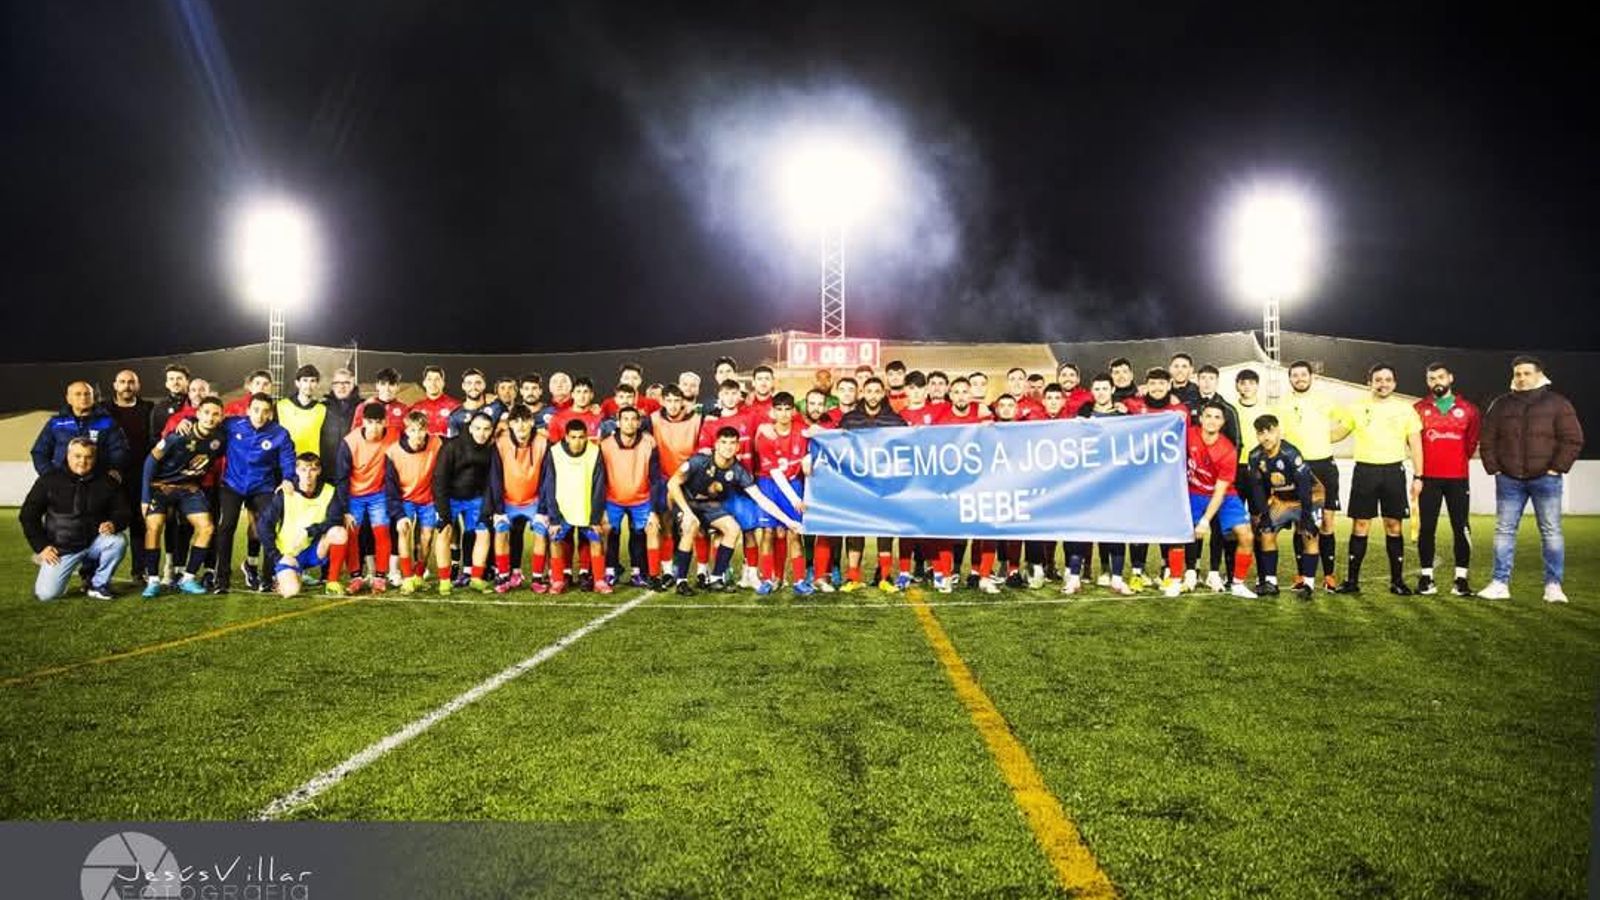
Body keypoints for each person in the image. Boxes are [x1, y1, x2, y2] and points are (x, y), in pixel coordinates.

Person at [1477, 355, 1585, 602]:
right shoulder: (1501, 404)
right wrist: (1494, 469)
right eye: (1518, 374)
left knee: (1551, 531)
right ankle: (1499, 584)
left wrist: (1556, 468)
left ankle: (1553, 586)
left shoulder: (1558, 403)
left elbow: (1573, 439)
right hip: (1509, 479)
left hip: (1546, 479)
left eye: (1527, 373)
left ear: (1539, 375)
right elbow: (1487, 439)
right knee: (1504, 531)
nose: (1522, 378)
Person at [665, 426, 802, 595]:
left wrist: (788, 521)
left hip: (709, 505)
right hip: (685, 501)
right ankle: (681, 581)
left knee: (733, 528)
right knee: (691, 525)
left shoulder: (738, 471)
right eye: (724, 442)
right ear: (716, 444)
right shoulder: (699, 461)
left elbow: (761, 499)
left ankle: (716, 578)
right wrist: (686, 512)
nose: (728, 447)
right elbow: (672, 484)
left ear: (738, 447)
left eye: (732, 443)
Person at [1330, 364, 1423, 595]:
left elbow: (1416, 445)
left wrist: (1419, 475)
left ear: (1395, 383)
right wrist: (1306, 433)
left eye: (1388, 380)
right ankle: (1352, 582)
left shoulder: (1406, 410)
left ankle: (1397, 582)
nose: (1383, 384)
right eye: (1378, 380)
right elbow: (1337, 434)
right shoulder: (1356, 407)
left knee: (1394, 525)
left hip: (1393, 472)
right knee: (1361, 525)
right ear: (1369, 382)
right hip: (1365, 472)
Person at [137, 396, 226, 597]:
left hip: (188, 489)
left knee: (207, 527)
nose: (210, 418)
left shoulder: (220, 438)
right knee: (154, 527)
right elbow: (150, 462)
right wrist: (145, 497)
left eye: (216, 414)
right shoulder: (178, 435)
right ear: (198, 413)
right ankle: (153, 580)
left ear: (221, 417)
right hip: (161, 487)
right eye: (206, 413)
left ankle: (188, 578)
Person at [21, 438, 130, 601]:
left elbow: (123, 512)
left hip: (94, 543)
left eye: (88, 457)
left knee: (118, 541)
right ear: (68, 455)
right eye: (77, 456)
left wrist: (114, 524)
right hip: (62, 548)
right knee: (46, 595)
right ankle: (59, 574)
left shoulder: (107, 482)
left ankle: (98, 584)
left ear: (95, 458)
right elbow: (28, 515)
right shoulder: (49, 480)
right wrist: (41, 546)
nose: (82, 461)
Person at [1169, 402, 1259, 599]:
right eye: (1208, 416)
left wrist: (1205, 521)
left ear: (1223, 422)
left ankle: (1238, 584)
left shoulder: (1227, 451)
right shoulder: (1188, 435)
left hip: (1224, 495)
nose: (1212, 421)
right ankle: (1175, 581)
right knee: (1179, 533)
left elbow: (1219, 492)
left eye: (1217, 417)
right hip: (1193, 492)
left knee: (1246, 536)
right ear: (1201, 418)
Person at [210, 392, 295, 594]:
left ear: (270, 414)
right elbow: (209, 422)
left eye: (265, 411)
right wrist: (188, 421)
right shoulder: (232, 425)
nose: (260, 415)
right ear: (248, 410)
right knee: (226, 527)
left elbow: (288, 459)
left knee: (267, 527)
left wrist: (288, 478)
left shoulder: (280, 433)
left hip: (262, 487)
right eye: (256, 410)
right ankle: (221, 580)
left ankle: (267, 579)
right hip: (233, 485)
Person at [1274, 360, 1345, 590]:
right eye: (1295, 375)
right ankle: (1301, 575)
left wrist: (1328, 438)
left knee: (1327, 521)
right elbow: (1278, 436)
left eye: (1303, 374)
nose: (1299, 379)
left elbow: (1348, 422)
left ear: (1311, 376)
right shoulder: (1283, 404)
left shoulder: (1325, 400)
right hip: (1297, 468)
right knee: (1300, 521)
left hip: (1324, 466)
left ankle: (1329, 576)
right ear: (1290, 379)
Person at [1413, 362, 1481, 596]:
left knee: (1461, 528)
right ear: (1427, 381)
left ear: (1450, 378)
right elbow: (1413, 444)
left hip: (1458, 479)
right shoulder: (1418, 409)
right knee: (1426, 528)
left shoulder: (1469, 410)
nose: (1437, 382)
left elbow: (1471, 443)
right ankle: (1426, 578)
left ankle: (1461, 580)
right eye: (1432, 378)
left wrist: (1455, 461)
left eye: (1441, 377)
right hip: (1428, 479)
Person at [838, 378, 907, 592]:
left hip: (884, 485)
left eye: (877, 391)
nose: (873, 395)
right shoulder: (850, 419)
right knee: (854, 529)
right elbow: (836, 445)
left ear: (883, 393)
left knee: (884, 528)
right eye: (869, 391)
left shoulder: (895, 420)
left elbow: (907, 447)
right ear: (863, 393)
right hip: (856, 485)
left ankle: (885, 577)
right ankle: (852, 578)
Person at [1247, 415, 1325, 600]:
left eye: (1270, 431)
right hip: (1281, 499)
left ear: (1278, 431)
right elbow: (1257, 488)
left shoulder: (1291, 453)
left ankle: (1308, 584)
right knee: (1266, 532)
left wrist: (1306, 516)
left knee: (1309, 534)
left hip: (1310, 496)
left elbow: (1305, 486)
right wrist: (1264, 514)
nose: (1266, 437)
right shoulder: (1255, 456)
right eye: (1261, 433)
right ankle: (1271, 583)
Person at [258, 452, 351, 598]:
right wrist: (277, 556)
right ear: (296, 471)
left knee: (339, 532)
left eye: (312, 470)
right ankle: (287, 575)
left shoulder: (329, 491)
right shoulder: (285, 493)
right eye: (303, 470)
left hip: (313, 550)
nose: (308, 475)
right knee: (291, 592)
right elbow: (264, 525)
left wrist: (309, 531)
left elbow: (335, 520)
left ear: (319, 471)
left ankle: (332, 582)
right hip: (288, 554)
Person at [751, 392, 813, 596]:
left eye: (787, 409)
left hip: (794, 482)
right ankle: (768, 579)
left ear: (793, 411)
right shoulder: (766, 434)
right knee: (769, 532)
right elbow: (775, 473)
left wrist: (809, 457)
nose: (784, 414)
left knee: (794, 532)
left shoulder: (802, 430)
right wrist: (794, 499)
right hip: (769, 483)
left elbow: (819, 436)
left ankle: (799, 581)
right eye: (779, 409)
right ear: (773, 412)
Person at [539, 419, 611, 594]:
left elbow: (599, 486)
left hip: (586, 510)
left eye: (581, 437)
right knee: (555, 540)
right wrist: (554, 518)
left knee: (596, 539)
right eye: (573, 437)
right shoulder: (555, 452)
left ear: (586, 437)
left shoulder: (595, 452)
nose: (577, 442)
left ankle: (599, 581)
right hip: (563, 511)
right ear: (566, 437)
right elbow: (549, 486)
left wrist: (595, 518)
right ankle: (557, 580)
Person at [483, 405, 551, 593]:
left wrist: (543, 509)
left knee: (541, 531)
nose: (521, 426)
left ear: (532, 422)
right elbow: (495, 478)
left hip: (533, 501)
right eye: (516, 421)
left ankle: (537, 578)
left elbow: (547, 478)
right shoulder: (500, 443)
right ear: (510, 424)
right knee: (501, 531)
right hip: (507, 501)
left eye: (525, 421)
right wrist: (499, 510)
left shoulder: (543, 443)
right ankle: (503, 576)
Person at [598, 406, 663, 588]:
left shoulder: (649, 443)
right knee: (610, 533)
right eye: (625, 419)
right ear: (618, 423)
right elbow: (600, 479)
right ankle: (610, 571)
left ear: (639, 423)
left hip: (641, 500)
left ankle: (640, 573)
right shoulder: (605, 445)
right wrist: (601, 508)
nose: (629, 423)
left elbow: (655, 479)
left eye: (633, 419)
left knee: (641, 534)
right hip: (613, 499)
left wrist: (653, 510)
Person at [431, 411, 496, 594]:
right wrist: (443, 512)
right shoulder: (452, 447)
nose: (482, 433)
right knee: (444, 531)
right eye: (478, 428)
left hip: (475, 499)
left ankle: (476, 578)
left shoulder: (490, 450)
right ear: (470, 428)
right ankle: (445, 581)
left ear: (491, 430)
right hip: (450, 498)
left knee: (484, 532)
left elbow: (490, 481)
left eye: (486, 429)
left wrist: (487, 507)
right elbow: (439, 479)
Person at [336, 403, 396, 594]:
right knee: (352, 533)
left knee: (382, 532)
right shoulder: (350, 441)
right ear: (363, 422)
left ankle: (380, 577)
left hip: (379, 494)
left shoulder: (394, 436)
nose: (374, 427)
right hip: (354, 495)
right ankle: (355, 577)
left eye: (379, 422)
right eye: (370, 422)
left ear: (385, 422)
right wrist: (345, 509)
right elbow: (341, 477)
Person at [386, 411, 444, 594]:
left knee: (427, 538)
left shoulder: (437, 443)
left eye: (421, 430)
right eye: (412, 430)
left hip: (428, 500)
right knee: (403, 530)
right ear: (406, 431)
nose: (417, 434)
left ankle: (418, 575)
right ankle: (407, 578)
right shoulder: (393, 452)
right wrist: (399, 514)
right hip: (405, 500)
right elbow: (391, 488)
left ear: (427, 430)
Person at [106, 369, 153, 576]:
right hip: (110, 477)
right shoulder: (103, 410)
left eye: (131, 382)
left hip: (140, 477)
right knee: (105, 524)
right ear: (115, 385)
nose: (127, 386)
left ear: (138, 385)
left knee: (139, 524)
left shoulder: (148, 409)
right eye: (123, 382)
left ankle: (139, 571)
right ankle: (96, 575)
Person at [32, 381, 130, 479]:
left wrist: (112, 470)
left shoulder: (107, 422)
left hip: (97, 479)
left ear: (93, 397)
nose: (83, 398)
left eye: (87, 394)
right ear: (69, 399)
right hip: (62, 479)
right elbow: (39, 452)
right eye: (78, 394)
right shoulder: (56, 423)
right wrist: (49, 474)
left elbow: (119, 449)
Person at [409, 365, 459, 437]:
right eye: (429, 379)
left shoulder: (455, 406)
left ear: (443, 383)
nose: (433, 383)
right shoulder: (416, 408)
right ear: (424, 383)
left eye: (437, 379)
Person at [150, 364, 191, 447]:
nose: (175, 382)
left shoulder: (196, 404)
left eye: (179, 378)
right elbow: (155, 438)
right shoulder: (159, 408)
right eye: (171, 379)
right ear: (167, 384)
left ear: (187, 382)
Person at [445, 368, 493, 438]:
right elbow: (453, 442)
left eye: (478, 383)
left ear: (484, 385)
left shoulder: (496, 406)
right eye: (469, 383)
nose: (473, 387)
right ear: (463, 386)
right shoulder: (455, 416)